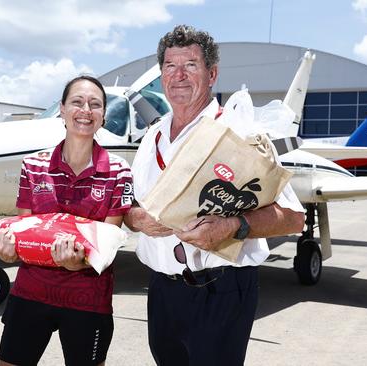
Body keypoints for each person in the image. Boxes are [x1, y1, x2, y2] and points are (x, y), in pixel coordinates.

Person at [124, 25, 306, 365]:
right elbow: (132, 206)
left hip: (220, 290)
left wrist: (232, 227)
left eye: (191, 65)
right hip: (162, 291)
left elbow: (294, 218)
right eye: (169, 66)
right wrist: (135, 219)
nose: (178, 75)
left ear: (212, 74)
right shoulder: (152, 138)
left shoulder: (241, 134)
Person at [0, 75, 134, 366]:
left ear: (103, 116)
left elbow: (106, 244)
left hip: (88, 301)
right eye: (77, 102)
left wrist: (76, 263)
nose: (86, 110)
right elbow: (25, 232)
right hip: (31, 294)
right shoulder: (33, 165)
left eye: (95, 105)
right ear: (62, 110)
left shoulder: (119, 171)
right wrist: (9, 252)